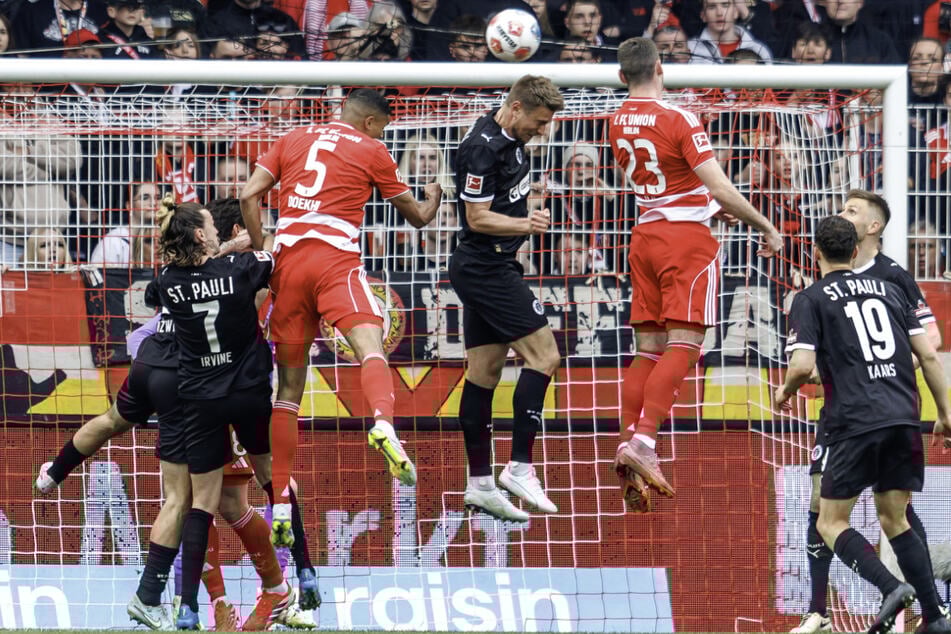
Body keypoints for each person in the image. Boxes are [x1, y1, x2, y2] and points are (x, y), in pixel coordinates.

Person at [239, 88, 442, 546]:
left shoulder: (292, 137)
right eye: (385, 127)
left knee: (288, 389)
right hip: (334, 261)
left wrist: (263, 249)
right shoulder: (372, 149)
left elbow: (248, 195)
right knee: (370, 346)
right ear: (372, 123)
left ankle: (281, 501)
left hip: (287, 261)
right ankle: (384, 424)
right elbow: (418, 218)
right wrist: (434, 196)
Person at [608, 37, 783, 512]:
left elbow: (668, 182)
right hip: (685, 242)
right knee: (686, 344)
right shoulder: (680, 117)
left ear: (623, 76)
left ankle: (630, 441)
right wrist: (765, 225)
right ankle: (645, 442)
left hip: (643, 236)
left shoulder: (616, 119)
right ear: (661, 68)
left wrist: (703, 203)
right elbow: (721, 188)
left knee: (647, 348)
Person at [775, 215, 951, 634]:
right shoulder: (891, 290)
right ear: (856, 252)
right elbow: (928, 356)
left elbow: (801, 364)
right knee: (897, 518)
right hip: (904, 416)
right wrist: (945, 414)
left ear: (816, 252)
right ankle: (934, 617)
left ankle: (890, 587)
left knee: (830, 521)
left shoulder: (811, 298)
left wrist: (784, 391)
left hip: (853, 420)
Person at [152, 196, 291, 629]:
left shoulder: (234, 275)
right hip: (221, 390)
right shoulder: (236, 267)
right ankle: (229, 600)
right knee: (212, 500)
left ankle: (274, 590)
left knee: (220, 500)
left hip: (226, 388)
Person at [448, 74, 565, 523]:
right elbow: (476, 218)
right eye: (537, 121)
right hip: (485, 267)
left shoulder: (510, 139)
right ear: (515, 108)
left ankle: (479, 483)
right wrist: (526, 225)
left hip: (492, 265)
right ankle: (519, 466)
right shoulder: (481, 148)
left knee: (484, 372)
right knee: (546, 357)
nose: (542, 130)